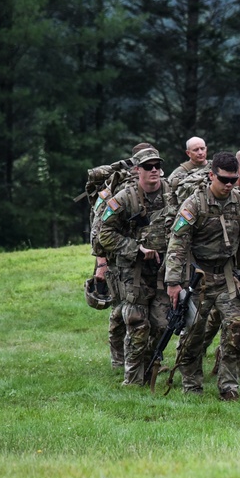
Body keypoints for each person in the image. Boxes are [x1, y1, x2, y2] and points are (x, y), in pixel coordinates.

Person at [164, 151, 240, 400]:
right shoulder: (194, 204)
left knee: (239, 327)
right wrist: (174, 283)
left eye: (233, 180)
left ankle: (229, 387)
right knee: (193, 334)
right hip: (199, 278)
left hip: (229, 277)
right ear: (211, 176)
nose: (229, 185)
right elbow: (177, 244)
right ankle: (192, 384)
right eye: (224, 179)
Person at [98, 147, 177, 385]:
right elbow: (105, 234)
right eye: (148, 166)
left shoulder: (172, 194)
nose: (154, 170)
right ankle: (132, 381)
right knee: (137, 323)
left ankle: (150, 366)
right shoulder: (124, 198)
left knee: (163, 324)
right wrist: (136, 248)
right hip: (134, 271)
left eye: (157, 166)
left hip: (164, 271)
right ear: (137, 170)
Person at [87, 142, 156, 369]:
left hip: (142, 258)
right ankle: (119, 360)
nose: (151, 168)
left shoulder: (153, 188)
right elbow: (99, 230)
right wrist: (101, 264)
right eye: (146, 164)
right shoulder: (116, 190)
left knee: (142, 310)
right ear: (136, 165)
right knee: (119, 311)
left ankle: (145, 356)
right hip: (117, 258)